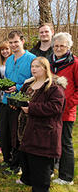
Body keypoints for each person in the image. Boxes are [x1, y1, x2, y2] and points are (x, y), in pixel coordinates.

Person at [16, 57, 66, 192]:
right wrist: (16, 104)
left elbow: (55, 107)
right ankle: (28, 179)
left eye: (37, 66)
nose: (33, 69)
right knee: (28, 160)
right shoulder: (29, 85)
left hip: (44, 133)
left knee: (41, 167)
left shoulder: (54, 87)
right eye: (32, 66)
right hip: (27, 129)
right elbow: (21, 99)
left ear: (45, 68)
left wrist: (31, 108)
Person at [0, 30, 36, 175]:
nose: (13, 45)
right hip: (7, 101)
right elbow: (7, 78)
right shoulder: (8, 60)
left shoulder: (32, 59)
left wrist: (18, 87)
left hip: (20, 103)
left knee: (17, 135)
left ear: (22, 41)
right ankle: (6, 160)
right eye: (11, 42)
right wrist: (4, 85)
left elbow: (34, 81)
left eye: (16, 42)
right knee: (4, 132)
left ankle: (17, 165)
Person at [49, 32, 78, 186]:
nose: (59, 48)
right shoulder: (49, 62)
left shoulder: (75, 63)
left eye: (62, 45)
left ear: (68, 47)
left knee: (65, 143)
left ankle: (67, 177)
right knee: (51, 141)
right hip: (49, 110)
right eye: (56, 45)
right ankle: (51, 170)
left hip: (66, 111)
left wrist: (67, 104)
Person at [0, 41, 12, 154]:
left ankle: (9, 143)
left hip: (10, 94)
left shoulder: (13, 61)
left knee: (9, 121)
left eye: (7, 49)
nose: (5, 51)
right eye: (2, 49)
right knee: (0, 120)